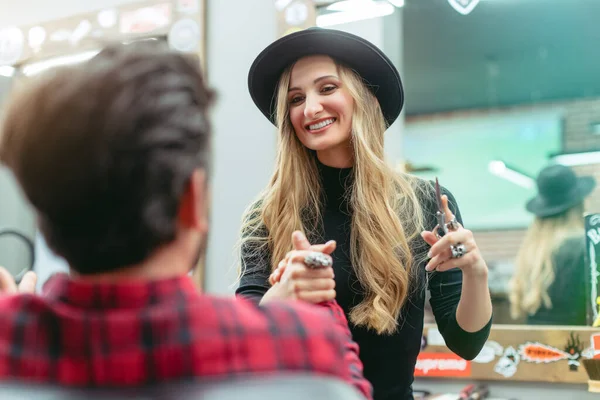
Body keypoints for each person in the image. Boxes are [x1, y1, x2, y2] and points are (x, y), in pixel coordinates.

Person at [0, 42, 372, 398]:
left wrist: (16, 324)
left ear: (45, 213)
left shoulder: (11, 343)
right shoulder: (301, 346)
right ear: (193, 200)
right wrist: (321, 303)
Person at [236, 27, 493, 400]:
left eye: (327, 89)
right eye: (295, 98)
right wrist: (281, 295)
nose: (310, 108)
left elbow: (466, 343)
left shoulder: (424, 203)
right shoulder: (268, 213)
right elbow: (245, 338)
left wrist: (475, 271)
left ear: (363, 97)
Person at [509, 164, 595, 325]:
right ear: (579, 204)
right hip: (576, 343)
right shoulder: (585, 247)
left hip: (535, 344)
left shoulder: (532, 250)